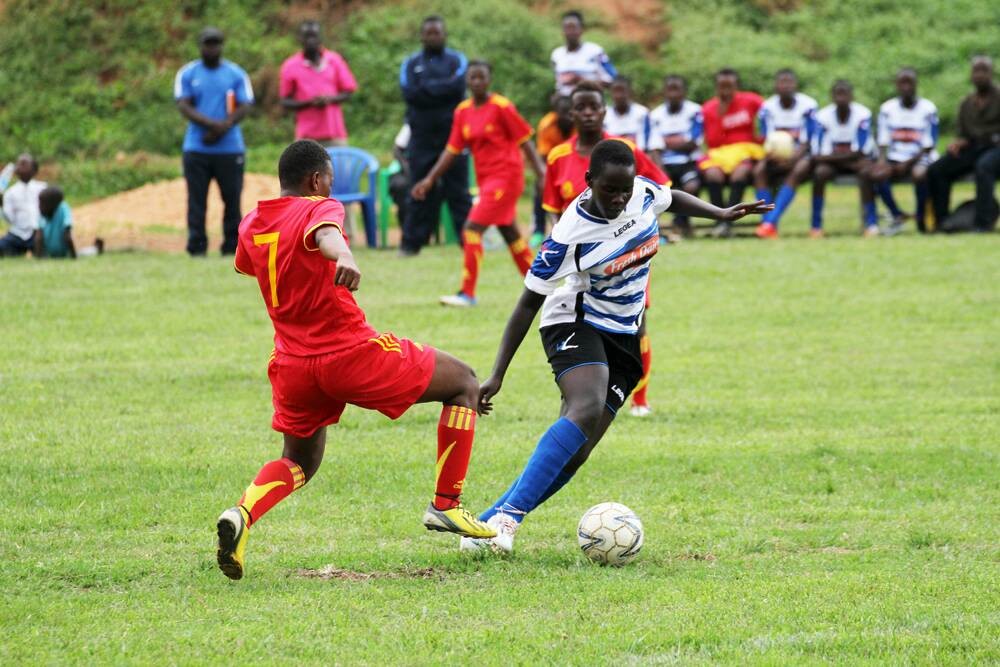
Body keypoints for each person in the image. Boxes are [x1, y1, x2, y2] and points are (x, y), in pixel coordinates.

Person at [460, 140, 771, 553]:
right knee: (585, 407)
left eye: (625, 189)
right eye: (610, 190)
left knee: (578, 451)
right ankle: (508, 518)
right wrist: (498, 373)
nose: (620, 199)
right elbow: (527, 303)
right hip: (574, 320)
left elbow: (668, 197)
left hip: (625, 332)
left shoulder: (640, 192)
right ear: (589, 182)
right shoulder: (569, 236)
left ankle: (484, 526)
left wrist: (719, 212)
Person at [216, 140, 496, 581]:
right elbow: (327, 236)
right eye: (330, 180)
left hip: (291, 363)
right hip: (347, 353)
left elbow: (252, 266)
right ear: (316, 180)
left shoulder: (252, 222)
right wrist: (344, 254)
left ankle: (242, 514)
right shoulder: (320, 207)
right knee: (464, 381)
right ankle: (447, 504)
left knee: (300, 462)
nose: (333, 188)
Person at [542, 81, 668, 417]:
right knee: (584, 326)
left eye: (593, 107)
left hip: (627, 257)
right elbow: (554, 212)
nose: (587, 113)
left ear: (603, 110)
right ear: (570, 114)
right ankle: (579, 397)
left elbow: (657, 188)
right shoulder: (558, 157)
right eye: (580, 108)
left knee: (636, 322)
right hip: (580, 263)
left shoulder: (624, 149)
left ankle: (639, 399)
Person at [412, 61, 546, 307]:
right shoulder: (462, 111)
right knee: (510, 234)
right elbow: (452, 150)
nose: (477, 82)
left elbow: (525, 141)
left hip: (506, 176)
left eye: (481, 77)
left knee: (472, 229)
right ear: (467, 81)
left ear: (489, 80)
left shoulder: (502, 107)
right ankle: (541, 289)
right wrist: (429, 179)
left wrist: (541, 174)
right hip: (486, 180)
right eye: (472, 78)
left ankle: (467, 293)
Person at [174, 27, 254, 256]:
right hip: (197, 147)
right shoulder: (189, 73)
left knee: (232, 199)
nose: (212, 48)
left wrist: (223, 127)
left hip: (229, 148)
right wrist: (212, 125)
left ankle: (232, 247)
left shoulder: (235, 74)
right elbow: (183, 104)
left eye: (216, 43)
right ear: (200, 46)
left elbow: (246, 104)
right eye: (208, 43)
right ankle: (197, 247)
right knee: (197, 200)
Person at [398, 15, 471, 256]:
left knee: (458, 192)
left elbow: (458, 86)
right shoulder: (410, 64)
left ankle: (468, 243)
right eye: (428, 33)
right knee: (419, 190)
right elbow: (410, 93)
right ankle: (411, 245)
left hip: (454, 137)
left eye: (437, 32)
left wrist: (427, 89)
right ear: (422, 36)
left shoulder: (457, 60)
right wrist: (442, 89)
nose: (433, 36)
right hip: (422, 139)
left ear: (444, 34)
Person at [928, 56, 1000, 233]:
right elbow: (963, 133)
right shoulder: (966, 102)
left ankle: (982, 223)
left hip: (996, 148)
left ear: (992, 73)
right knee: (937, 169)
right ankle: (942, 221)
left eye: (984, 70)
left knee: (983, 167)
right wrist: (958, 142)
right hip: (974, 147)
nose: (980, 75)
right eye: (976, 71)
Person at [870, 68, 939, 234]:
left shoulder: (928, 108)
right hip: (895, 157)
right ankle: (896, 215)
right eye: (902, 82)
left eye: (910, 82)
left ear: (916, 84)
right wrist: (881, 162)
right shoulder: (888, 109)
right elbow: (882, 141)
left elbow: (929, 145)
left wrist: (907, 164)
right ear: (896, 85)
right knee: (877, 174)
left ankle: (921, 218)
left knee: (919, 174)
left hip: (920, 157)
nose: (906, 87)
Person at [699, 68, 765, 238]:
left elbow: (769, 114)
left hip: (745, 150)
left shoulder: (751, 101)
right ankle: (719, 219)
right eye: (722, 86)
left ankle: (730, 220)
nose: (726, 90)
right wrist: (722, 110)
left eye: (730, 86)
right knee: (713, 175)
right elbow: (711, 140)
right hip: (719, 154)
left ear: (737, 86)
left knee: (740, 174)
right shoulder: (709, 108)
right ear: (716, 87)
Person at [753, 69, 818, 238]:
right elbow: (767, 138)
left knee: (800, 169)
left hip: (801, 155)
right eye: (782, 82)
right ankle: (767, 222)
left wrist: (793, 158)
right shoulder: (768, 107)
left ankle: (769, 223)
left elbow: (809, 139)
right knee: (759, 170)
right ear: (776, 85)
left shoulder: (808, 105)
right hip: (776, 156)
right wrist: (774, 156)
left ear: (795, 85)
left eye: (789, 82)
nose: (786, 86)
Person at [810, 80, 879, 236]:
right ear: (832, 97)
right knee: (820, 173)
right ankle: (816, 226)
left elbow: (862, 150)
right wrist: (848, 158)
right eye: (837, 94)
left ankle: (871, 224)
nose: (841, 98)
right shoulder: (822, 116)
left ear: (851, 96)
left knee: (866, 172)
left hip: (854, 162)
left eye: (845, 94)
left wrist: (836, 156)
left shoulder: (863, 114)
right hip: (838, 163)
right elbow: (818, 154)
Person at [279, 20, 358, 146]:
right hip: (306, 135)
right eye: (307, 36)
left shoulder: (334, 60)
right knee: (303, 165)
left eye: (314, 36)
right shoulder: (290, 66)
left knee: (338, 166)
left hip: (334, 134)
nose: (311, 40)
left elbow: (348, 91)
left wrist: (329, 99)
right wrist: (309, 103)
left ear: (320, 37)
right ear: (300, 39)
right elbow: (285, 101)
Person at [647, 75, 703, 237]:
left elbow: (693, 143)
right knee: (657, 187)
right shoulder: (655, 115)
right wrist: (660, 170)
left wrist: (667, 142)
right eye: (669, 90)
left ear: (684, 92)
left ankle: (680, 222)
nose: (673, 94)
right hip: (664, 163)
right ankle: (652, 230)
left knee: (692, 186)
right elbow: (654, 147)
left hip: (687, 161)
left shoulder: (695, 111)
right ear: (664, 92)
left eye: (676, 90)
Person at [530, 94, 574, 247]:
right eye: (563, 112)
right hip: (554, 166)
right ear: (556, 112)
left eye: (570, 112)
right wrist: (545, 179)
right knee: (540, 187)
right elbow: (542, 157)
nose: (568, 117)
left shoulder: (579, 126)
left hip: (575, 166)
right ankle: (538, 230)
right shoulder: (546, 125)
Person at [550, 10, 616, 96]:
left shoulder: (595, 51)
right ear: (562, 31)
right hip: (565, 104)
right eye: (567, 28)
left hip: (590, 102)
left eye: (573, 28)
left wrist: (580, 80)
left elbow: (612, 81)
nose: (570, 32)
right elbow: (559, 84)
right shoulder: (556, 54)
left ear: (581, 30)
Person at [0, 153, 45, 257]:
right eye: (19, 164)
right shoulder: (10, 193)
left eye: (24, 163)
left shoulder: (43, 188)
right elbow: (9, 220)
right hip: (18, 234)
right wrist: (1, 206)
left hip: (38, 233)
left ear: (34, 169)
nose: (20, 166)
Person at [604, 76, 650, 148]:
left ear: (630, 92)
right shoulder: (604, 114)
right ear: (611, 93)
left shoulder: (642, 113)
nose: (619, 96)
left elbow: (645, 144)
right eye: (616, 91)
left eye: (622, 91)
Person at [34, 186, 76, 259]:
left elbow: (67, 235)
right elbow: (39, 237)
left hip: (64, 252)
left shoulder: (63, 208)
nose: (39, 206)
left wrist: (74, 256)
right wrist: (39, 257)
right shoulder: (43, 214)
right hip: (49, 253)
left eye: (42, 204)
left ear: (53, 204)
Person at [390, 123, 412, 227]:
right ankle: (405, 227)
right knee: (400, 186)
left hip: (429, 172)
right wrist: (406, 168)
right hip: (405, 172)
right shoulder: (410, 125)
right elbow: (397, 150)